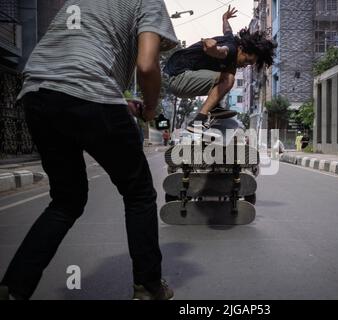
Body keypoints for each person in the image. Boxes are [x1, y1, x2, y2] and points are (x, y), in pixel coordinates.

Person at [0, 0, 178, 300]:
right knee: (138, 193)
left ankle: (13, 288)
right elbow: (147, 65)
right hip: (89, 95)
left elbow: (73, 65)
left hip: (37, 94)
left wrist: (118, 102)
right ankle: (148, 287)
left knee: (66, 201)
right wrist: (150, 108)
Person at [164, 6, 277, 134]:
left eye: (249, 64)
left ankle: (215, 108)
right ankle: (198, 121)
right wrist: (214, 49)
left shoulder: (231, 39)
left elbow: (227, 30)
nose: (245, 65)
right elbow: (222, 51)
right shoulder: (231, 50)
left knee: (230, 70)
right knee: (228, 78)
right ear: (242, 48)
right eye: (247, 60)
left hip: (182, 77)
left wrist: (225, 18)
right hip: (180, 78)